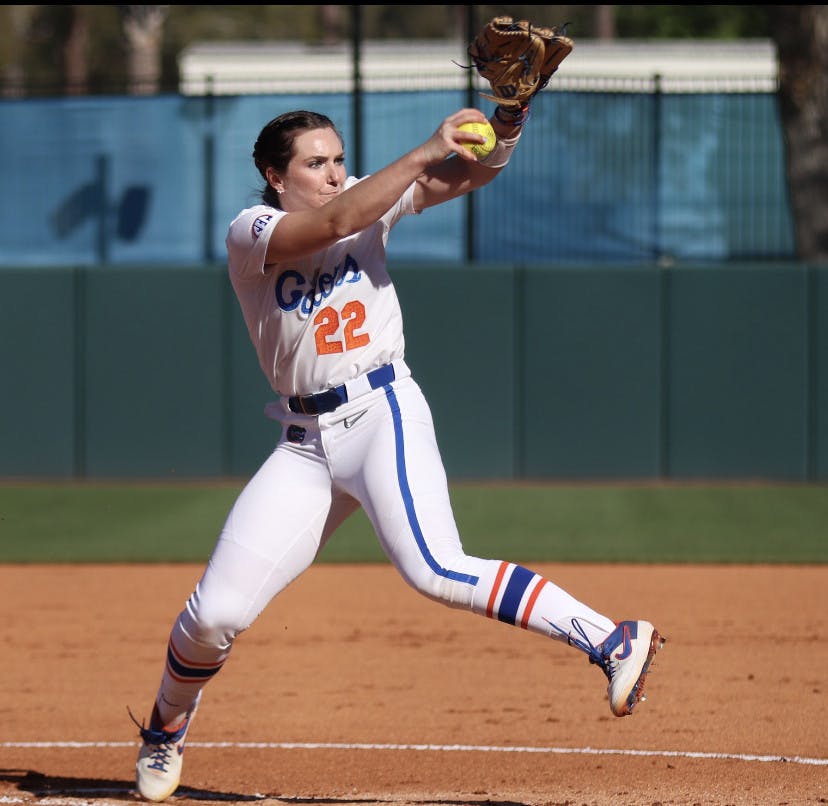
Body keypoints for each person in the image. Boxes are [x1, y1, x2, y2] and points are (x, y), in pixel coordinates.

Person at [130, 99, 666, 802]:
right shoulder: (251, 229)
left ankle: (611, 637)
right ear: (273, 174)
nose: (333, 173)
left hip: (381, 411)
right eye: (315, 163)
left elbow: (469, 177)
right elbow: (333, 223)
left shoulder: (366, 198)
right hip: (304, 443)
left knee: (435, 565)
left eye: (339, 159)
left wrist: (506, 127)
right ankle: (166, 727)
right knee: (215, 615)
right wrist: (418, 152)